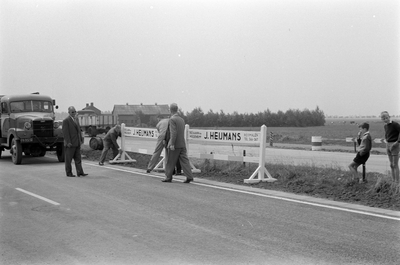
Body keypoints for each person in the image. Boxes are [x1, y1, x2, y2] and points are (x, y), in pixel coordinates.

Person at [162, 103, 194, 183]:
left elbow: (173, 133)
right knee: (185, 161)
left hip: (175, 144)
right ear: (177, 109)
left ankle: (168, 177)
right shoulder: (181, 119)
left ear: (170, 110)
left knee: (170, 161)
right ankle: (189, 176)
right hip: (182, 143)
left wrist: (172, 143)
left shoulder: (172, 119)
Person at [62, 106, 88, 177]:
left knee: (78, 158)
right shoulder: (66, 121)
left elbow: (79, 131)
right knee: (68, 160)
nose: (74, 113)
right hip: (70, 144)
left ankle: (80, 172)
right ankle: (69, 173)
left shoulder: (76, 120)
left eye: (75, 111)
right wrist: (68, 142)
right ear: (69, 112)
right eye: (72, 112)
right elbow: (65, 133)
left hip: (77, 143)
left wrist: (81, 139)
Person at [380, 111, 400, 183]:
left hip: (394, 144)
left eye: (386, 118)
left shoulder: (395, 124)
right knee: (391, 164)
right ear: (382, 119)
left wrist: (397, 142)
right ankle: (393, 180)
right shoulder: (385, 126)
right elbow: (387, 133)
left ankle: (397, 182)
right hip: (388, 144)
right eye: (383, 118)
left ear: (389, 117)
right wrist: (386, 139)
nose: (385, 119)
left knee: (395, 164)